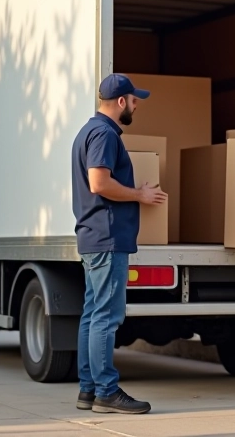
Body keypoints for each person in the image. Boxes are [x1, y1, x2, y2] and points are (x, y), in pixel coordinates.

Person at [72, 73, 166, 415]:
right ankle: (106, 392)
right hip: (108, 237)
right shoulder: (104, 134)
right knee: (106, 318)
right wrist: (139, 194)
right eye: (134, 99)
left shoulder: (88, 131)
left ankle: (88, 390)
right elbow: (99, 182)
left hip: (95, 237)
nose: (137, 105)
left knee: (92, 314)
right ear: (121, 101)